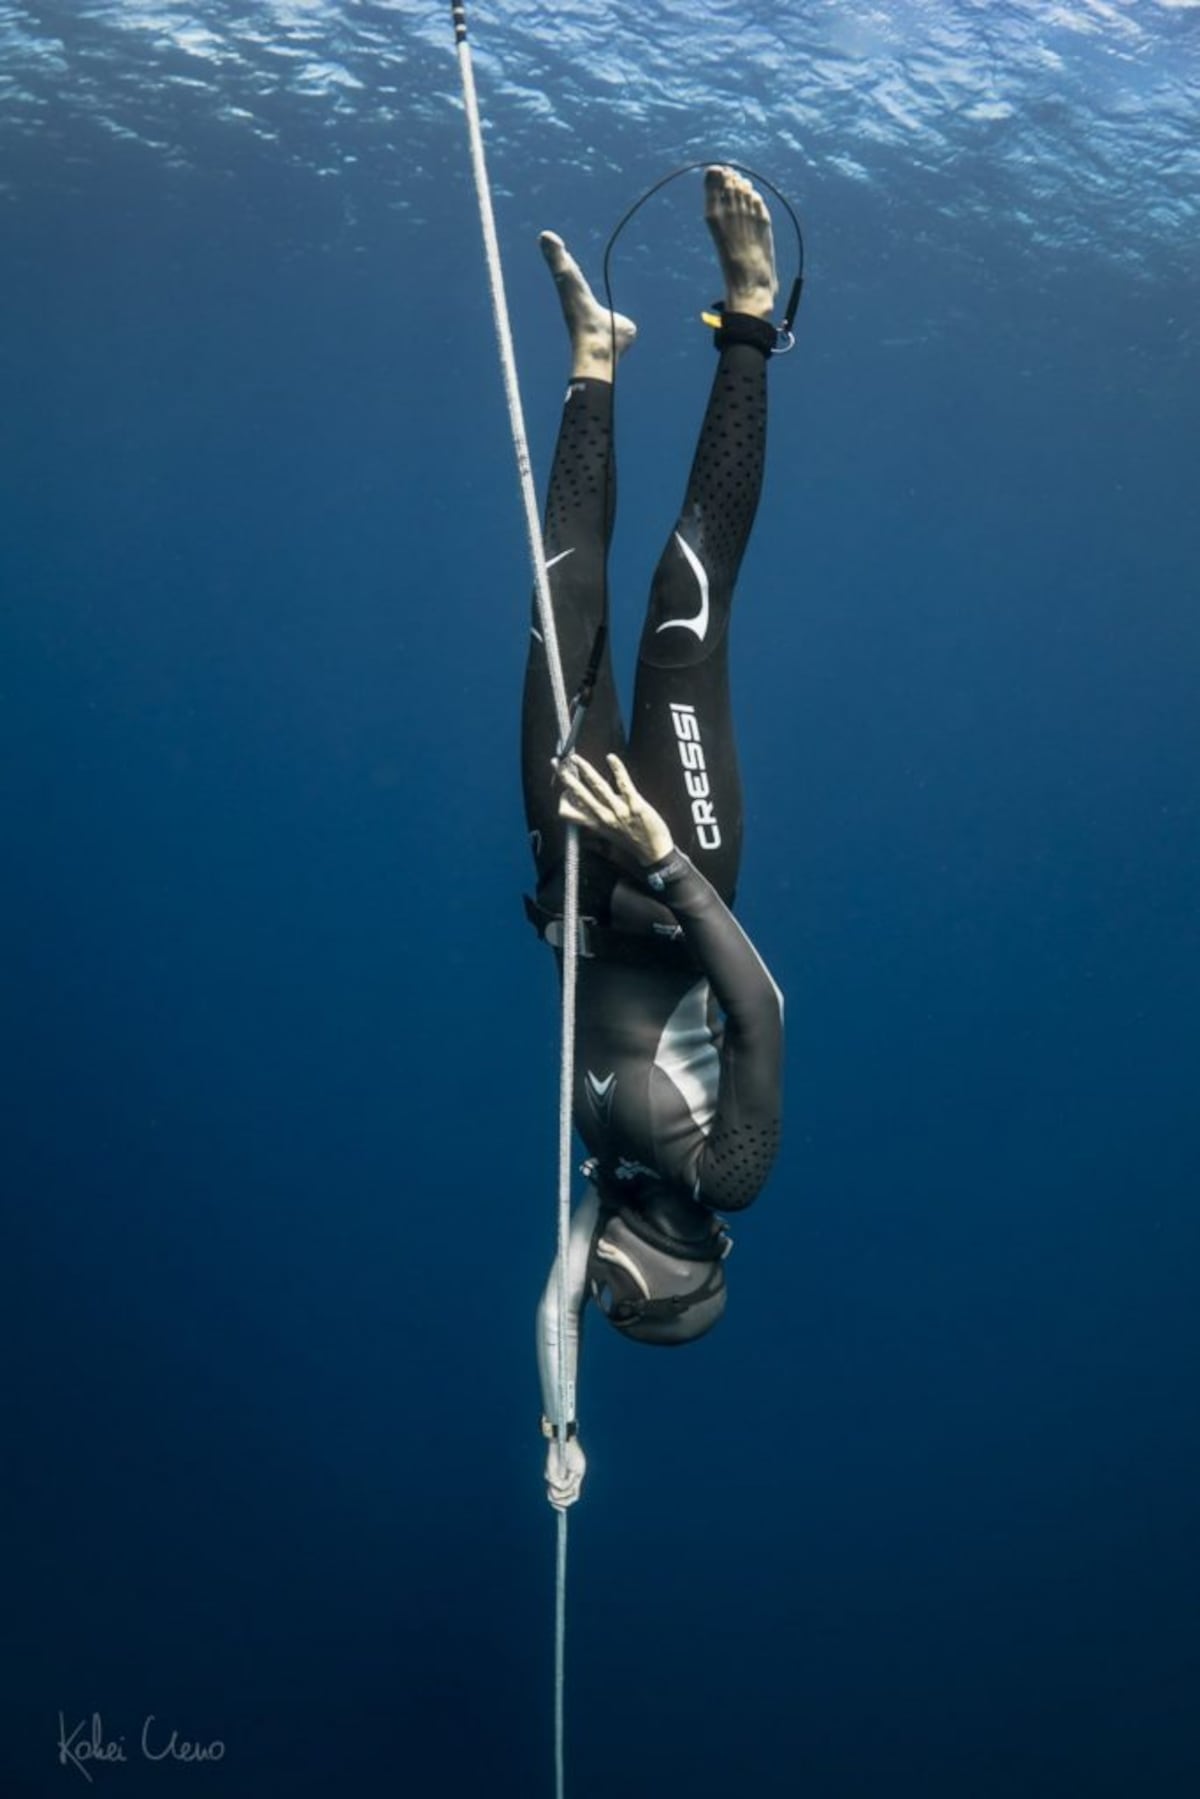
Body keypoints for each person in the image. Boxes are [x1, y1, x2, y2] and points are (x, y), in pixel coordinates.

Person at [524, 167, 787, 1509]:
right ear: (682, 1268)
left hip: (571, 867)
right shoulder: (721, 1176)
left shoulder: (606, 1176)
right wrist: (669, 859)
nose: (604, 1263)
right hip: (672, 847)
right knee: (689, 596)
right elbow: (762, 1007)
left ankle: (595, 361)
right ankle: (750, 320)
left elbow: (556, 1303)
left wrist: (561, 1429)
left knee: (557, 601)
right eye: (636, 1282)